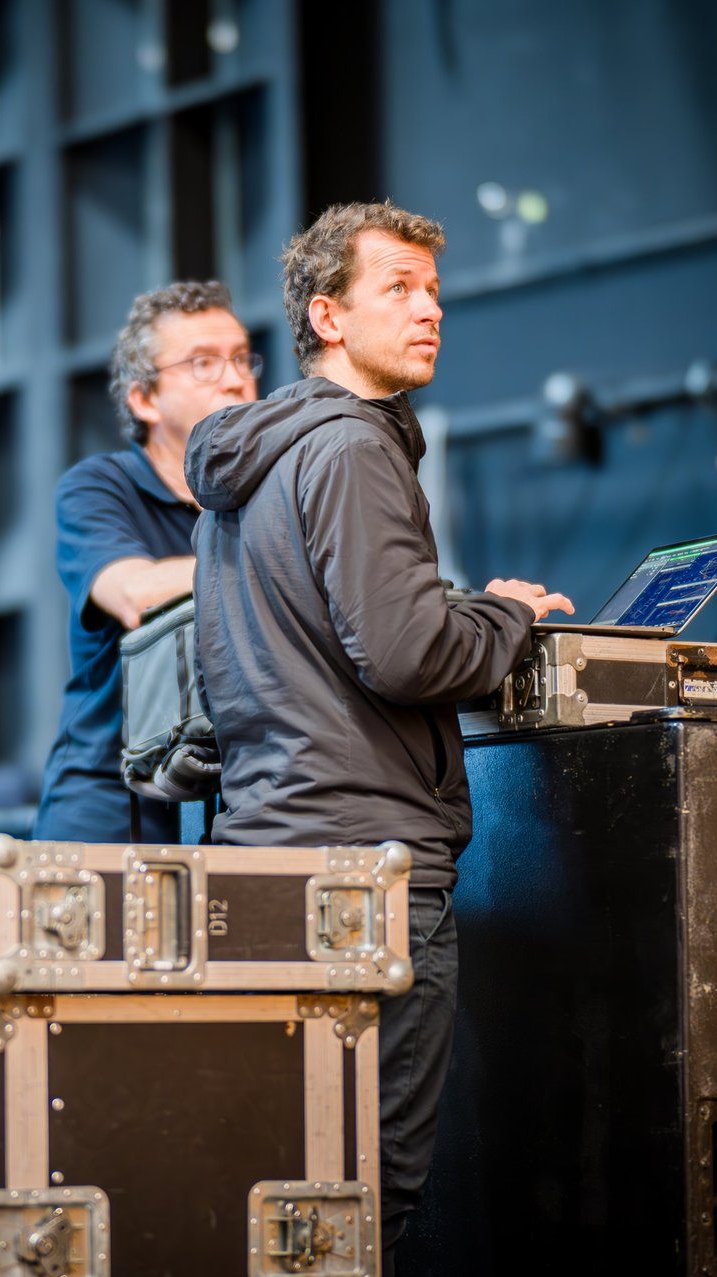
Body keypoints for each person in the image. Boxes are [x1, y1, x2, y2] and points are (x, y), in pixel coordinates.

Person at [183, 202, 574, 1270]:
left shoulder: (244, 468)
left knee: (290, 1181)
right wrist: (508, 615)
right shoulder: (354, 449)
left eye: (435, 289)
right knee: (369, 1191)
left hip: (266, 851)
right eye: (397, 287)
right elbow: (403, 654)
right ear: (326, 314)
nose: (430, 308)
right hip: (371, 868)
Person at [31, 280, 262, 842]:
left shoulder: (267, 498)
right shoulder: (98, 486)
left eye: (239, 359)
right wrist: (283, 565)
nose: (235, 379)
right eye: (203, 363)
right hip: (111, 808)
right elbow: (135, 594)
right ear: (144, 399)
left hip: (235, 804)